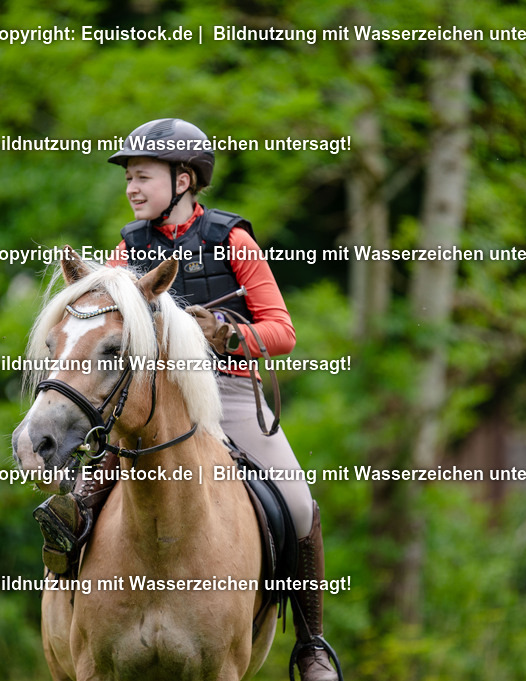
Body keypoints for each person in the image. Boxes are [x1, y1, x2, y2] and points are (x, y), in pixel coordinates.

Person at [35, 118, 340, 681]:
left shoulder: (233, 241)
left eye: (143, 176)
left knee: (298, 506)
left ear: (183, 180)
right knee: (76, 498)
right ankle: (66, 609)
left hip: (229, 393)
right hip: (153, 399)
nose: (132, 188)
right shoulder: (128, 252)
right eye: (129, 177)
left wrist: (229, 335)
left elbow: (282, 332)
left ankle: (312, 645)